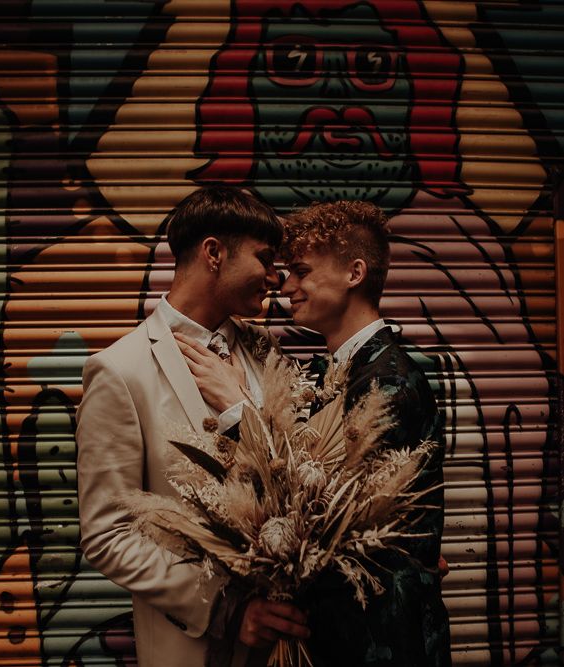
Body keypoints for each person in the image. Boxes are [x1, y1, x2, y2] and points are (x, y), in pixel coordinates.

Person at [177, 199, 451, 666]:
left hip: (380, 641)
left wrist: (241, 409)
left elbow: (316, 507)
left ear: (355, 273)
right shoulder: (327, 370)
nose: (287, 285)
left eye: (301, 271)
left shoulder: (389, 381)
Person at [76, 185, 309, 667]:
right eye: (265, 259)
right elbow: (106, 533)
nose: (274, 278)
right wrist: (225, 608)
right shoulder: (120, 370)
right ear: (214, 253)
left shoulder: (269, 353)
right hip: (193, 647)